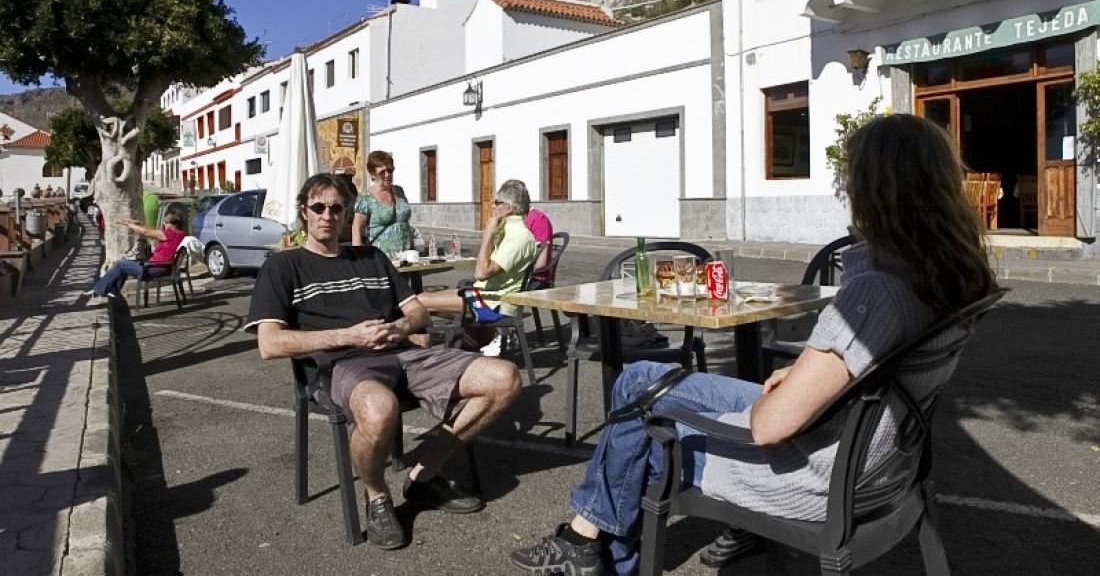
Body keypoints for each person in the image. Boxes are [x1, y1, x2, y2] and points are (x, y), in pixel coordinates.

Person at [509, 114, 997, 576]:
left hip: (816, 472)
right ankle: (585, 537)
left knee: (642, 413)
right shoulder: (949, 274)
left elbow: (768, 427)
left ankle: (591, 545)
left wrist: (855, 278)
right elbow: (865, 364)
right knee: (640, 381)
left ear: (872, 190)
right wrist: (811, 372)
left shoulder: (877, 290)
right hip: (874, 454)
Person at [245, 173, 521, 549]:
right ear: (304, 213)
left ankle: (423, 476)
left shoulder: (371, 258)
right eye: (318, 207)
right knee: (379, 409)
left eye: (337, 208)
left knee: (504, 378)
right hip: (340, 364)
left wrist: (398, 327)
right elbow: (269, 343)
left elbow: (419, 316)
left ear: (348, 215)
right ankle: (376, 496)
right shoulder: (284, 266)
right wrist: (349, 336)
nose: (328, 215)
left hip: (404, 353)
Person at [418, 179, 537, 356]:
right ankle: (423, 358)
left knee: (418, 304)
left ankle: (420, 362)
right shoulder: (510, 230)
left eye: (497, 203)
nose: (493, 207)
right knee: (418, 299)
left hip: (492, 304)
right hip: (484, 296)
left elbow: (481, 273)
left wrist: (488, 234)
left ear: (509, 208)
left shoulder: (518, 236)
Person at [87, 212, 187, 297]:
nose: (164, 225)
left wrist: (129, 225)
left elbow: (147, 232)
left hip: (154, 268)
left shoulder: (171, 234)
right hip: (160, 267)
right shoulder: (179, 233)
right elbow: (153, 231)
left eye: (165, 223)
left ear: (172, 225)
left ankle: (98, 291)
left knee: (120, 264)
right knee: (124, 263)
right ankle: (113, 291)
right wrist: (140, 223)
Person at [351, 150, 414, 257]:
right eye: (382, 172)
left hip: (407, 257)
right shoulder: (365, 198)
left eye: (390, 170)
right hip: (381, 259)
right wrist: (359, 257)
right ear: (373, 174)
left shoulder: (399, 191)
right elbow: (356, 228)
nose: (387, 175)